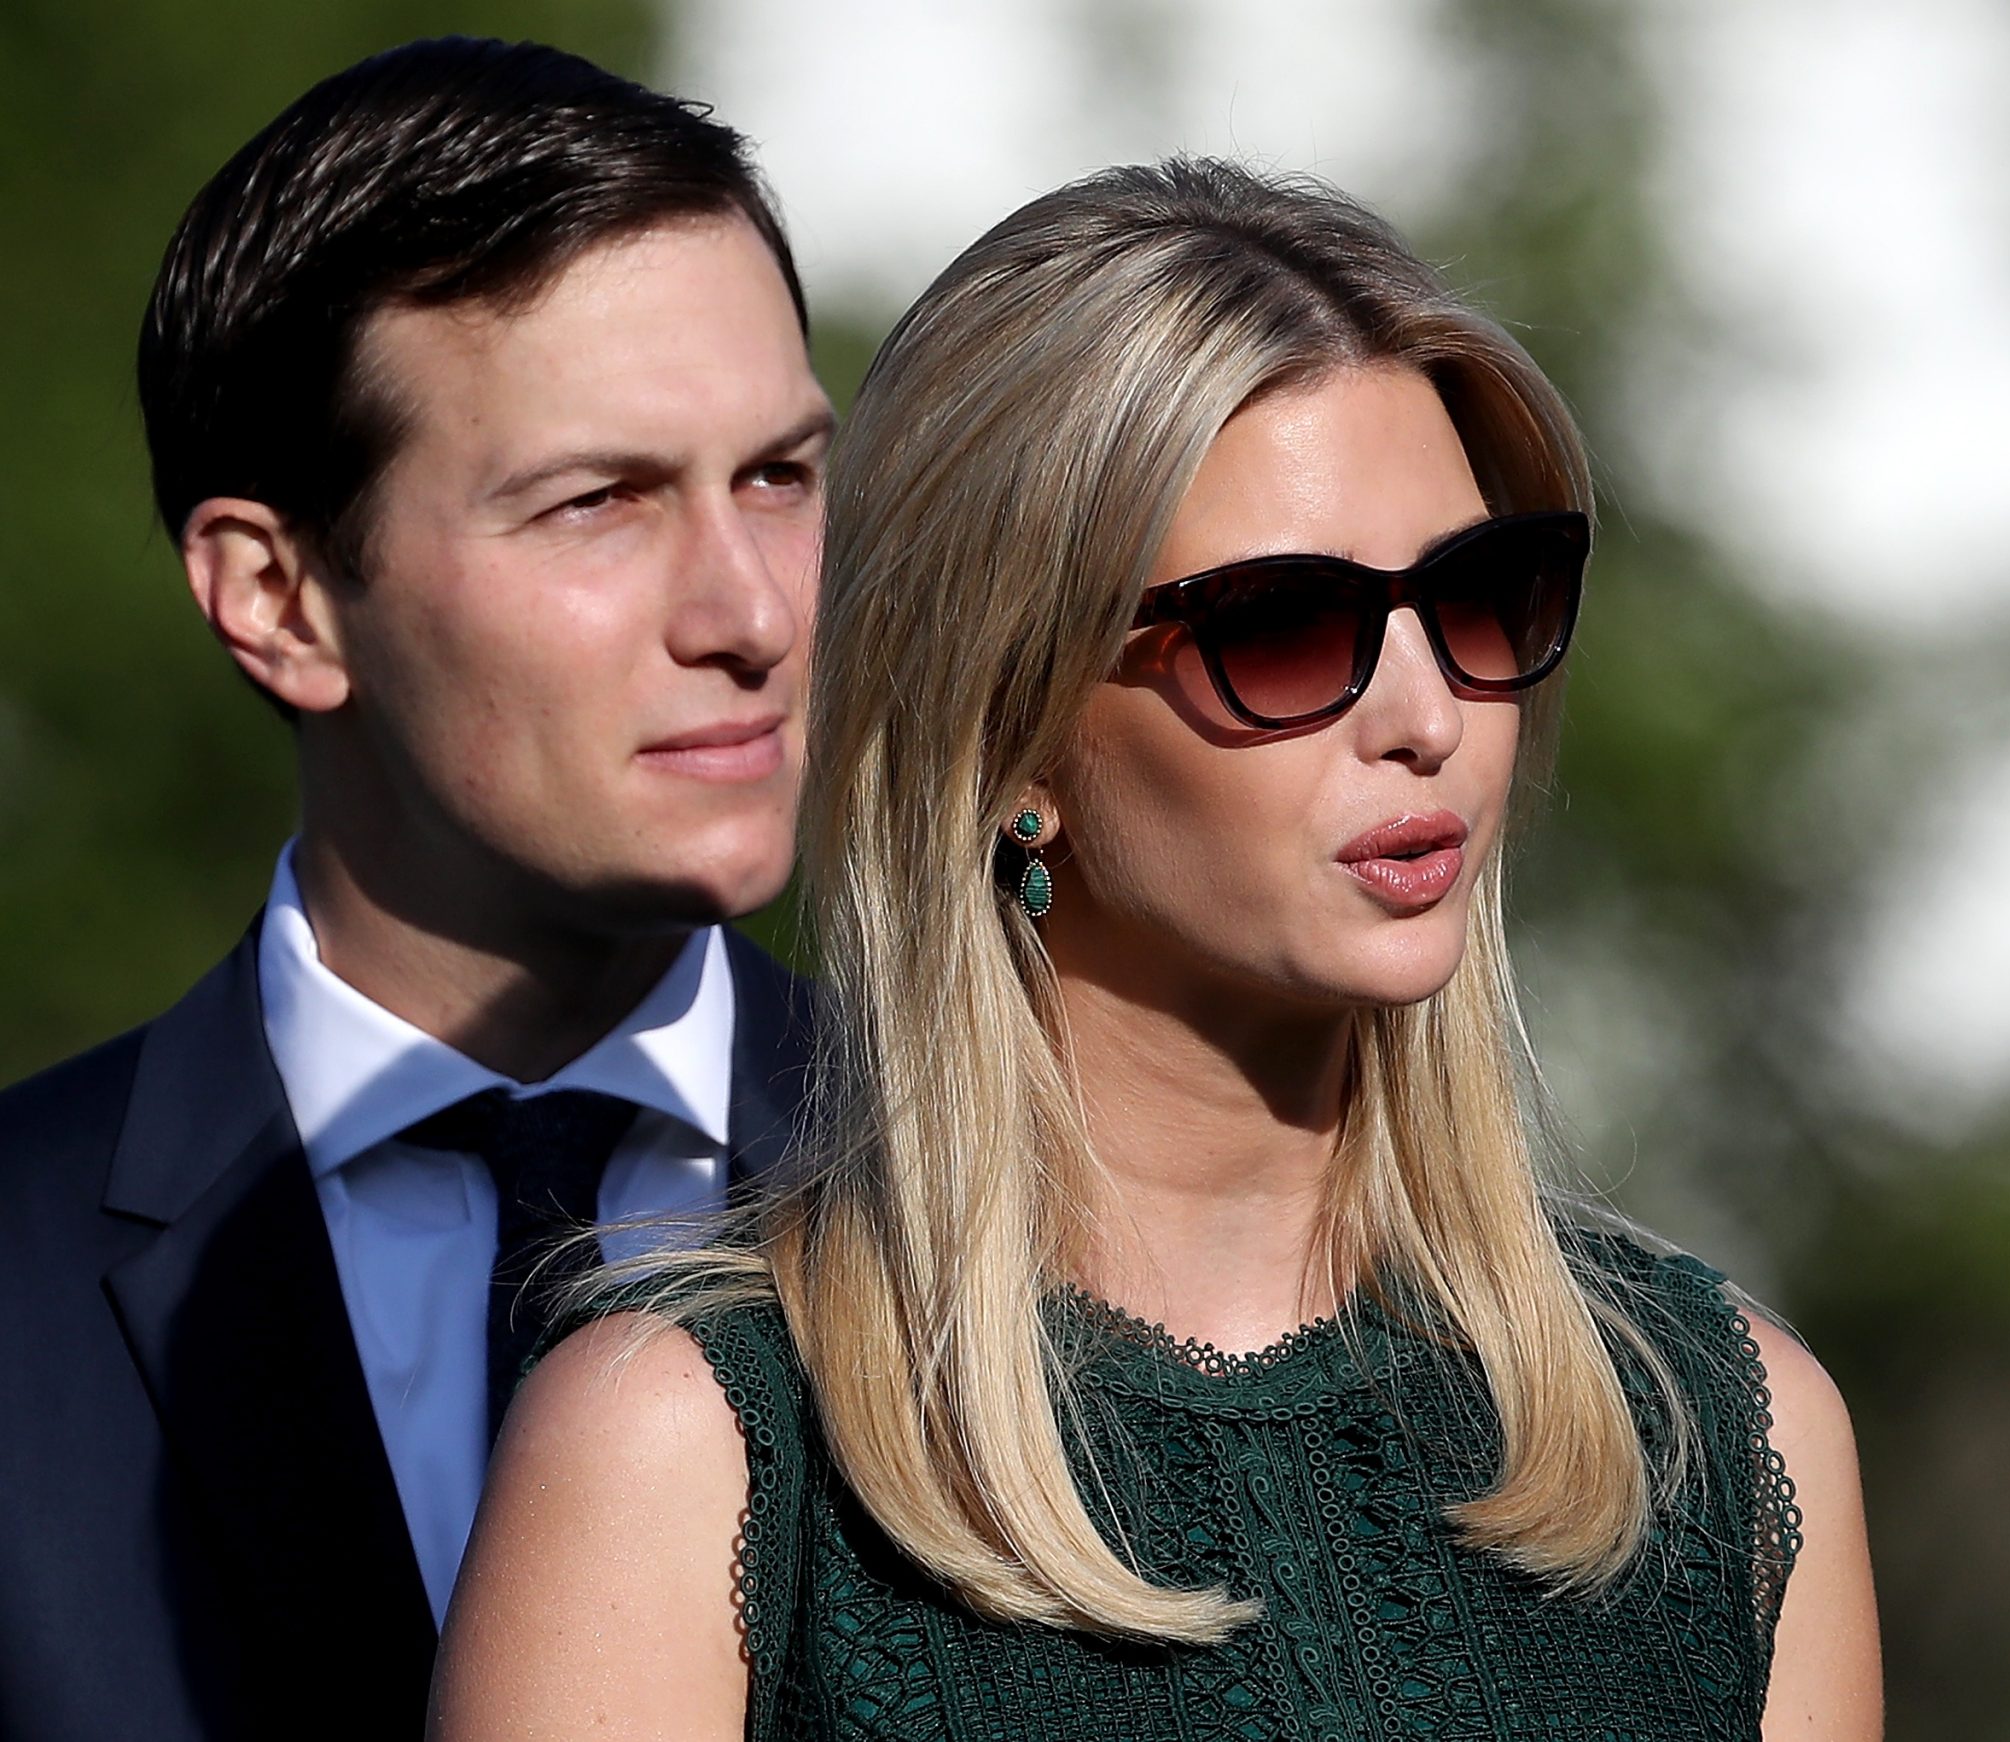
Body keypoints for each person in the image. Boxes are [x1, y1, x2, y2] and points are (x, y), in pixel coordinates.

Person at [432, 159, 1884, 1740]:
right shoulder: (691, 1445)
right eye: (1282, 627)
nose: (1428, 719)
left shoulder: (1722, 1431)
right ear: (1011, 734)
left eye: (1480, 598)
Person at [0, 37, 833, 1742]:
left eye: (781, 477)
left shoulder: (1039, 1188)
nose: (751, 610)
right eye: (599, 501)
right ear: (280, 599)